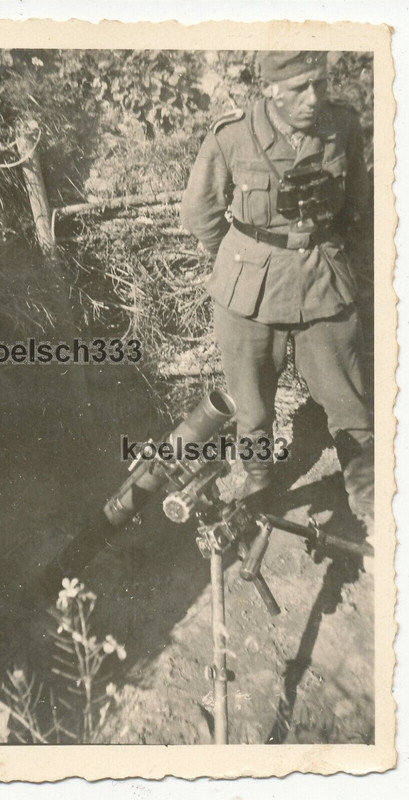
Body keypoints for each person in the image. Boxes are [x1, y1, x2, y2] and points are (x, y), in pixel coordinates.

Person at [180, 51, 373, 533]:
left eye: (321, 85)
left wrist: (328, 247)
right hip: (249, 287)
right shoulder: (232, 134)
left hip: (323, 277)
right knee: (253, 404)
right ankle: (259, 480)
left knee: (347, 399)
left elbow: (357, 206)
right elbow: (200, 212)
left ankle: (368, 500)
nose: (314, 98)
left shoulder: (342, 126)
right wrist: (238, 260)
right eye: (300, 88)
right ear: (270, 88)